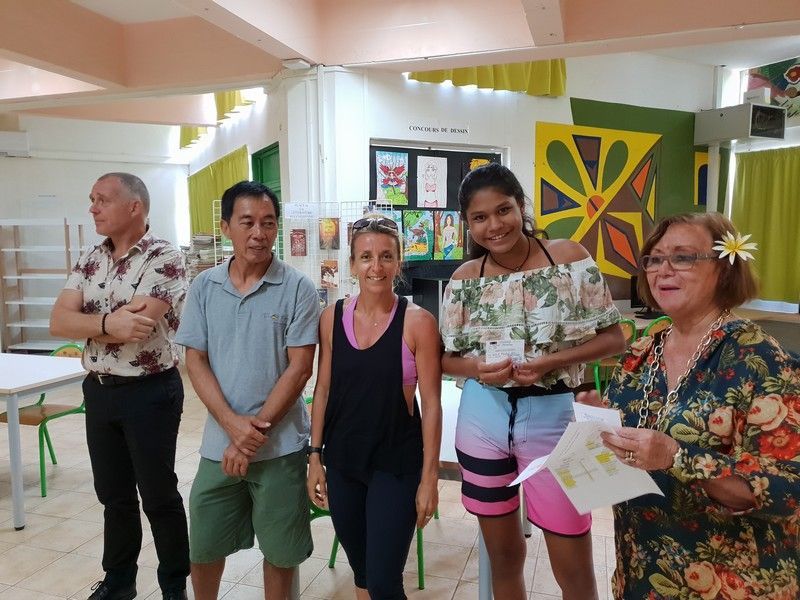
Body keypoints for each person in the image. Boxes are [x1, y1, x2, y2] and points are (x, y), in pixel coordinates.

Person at [577, 212, 800, 599]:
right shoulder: (643, 351)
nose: (663, 270)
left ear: (724, 269)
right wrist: (599, 425)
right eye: (654, 259)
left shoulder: (759, 359)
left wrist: (676, 457)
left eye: (682, 257)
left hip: (733, 583)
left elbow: (787, 489)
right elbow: (629, 446)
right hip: (643, 572)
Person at [439, 163, 625, 600]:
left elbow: (614, 337)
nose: (494, 225)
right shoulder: (465, 279)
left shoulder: (568, 258)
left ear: (521, 206)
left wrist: (551, 362)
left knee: (572, 560)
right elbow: (446, 359)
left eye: (503, 210)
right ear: (467, 223)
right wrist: (477, 369)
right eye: (480, 217)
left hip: (555, 417)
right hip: (482, 419)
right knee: (503, 557)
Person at [175, 181, 320, 600]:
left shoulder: (298, 288)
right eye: (248, 222)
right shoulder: (204, 287)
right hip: (218, 446)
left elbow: (300, 369)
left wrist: (249, 436)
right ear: (226, 227)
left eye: (268, 223)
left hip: (280, 447)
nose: (259, 233)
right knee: (203, 545)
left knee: (280, 551)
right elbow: (196, 361)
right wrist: (232, 427)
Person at [50, 173, 189, 600]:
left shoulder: (164, 256)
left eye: (102, 200)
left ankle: (173, 586)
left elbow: (138, 327)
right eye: (92, 199)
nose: (93, 208)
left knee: (158, 496)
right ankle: (119, 582)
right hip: (99, 389)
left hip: (150, 393)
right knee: (113, 496)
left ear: (134, 206)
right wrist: (109, 321)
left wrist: (89, 323)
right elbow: (59, 321)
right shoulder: (91, 258)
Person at [307, 214, 442, 599]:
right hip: (344, 462)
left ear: (398, 262)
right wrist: (315, 457)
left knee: (384, 582)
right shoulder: (331, 317)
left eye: (386, 256)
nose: (376, 266)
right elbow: (323, 389)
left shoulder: (418, 323)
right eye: (366, 257)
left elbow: (432, 405)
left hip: (395, 465)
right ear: (352, 264)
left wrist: (429, 479)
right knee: (363, 574)